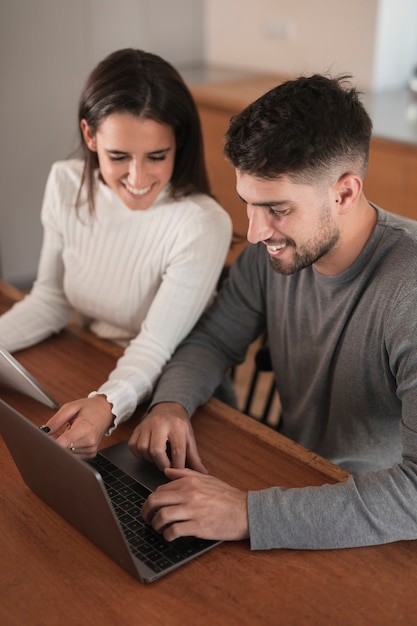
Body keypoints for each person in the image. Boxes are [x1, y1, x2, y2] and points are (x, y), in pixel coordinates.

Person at [130, 73, 417, 551]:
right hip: (296, 473)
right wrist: (171, 403)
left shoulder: (408, 290)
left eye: (277, 209)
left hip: (380, 532)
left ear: (344, 194)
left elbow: (413, 494)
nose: (257, 231)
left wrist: (246, 512)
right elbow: (214, 339)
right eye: (248, 204)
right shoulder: (275, 254)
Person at [0, 48, 232, 457]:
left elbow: (155, 345)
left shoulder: (200, 222)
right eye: (118, 156)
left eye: (157, 157)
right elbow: (51, 299)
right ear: (90, 136)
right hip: (98, 365)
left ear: (179, 143)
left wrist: (107, 406)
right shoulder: (66, 182)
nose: (138, 178)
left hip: (175, 399)